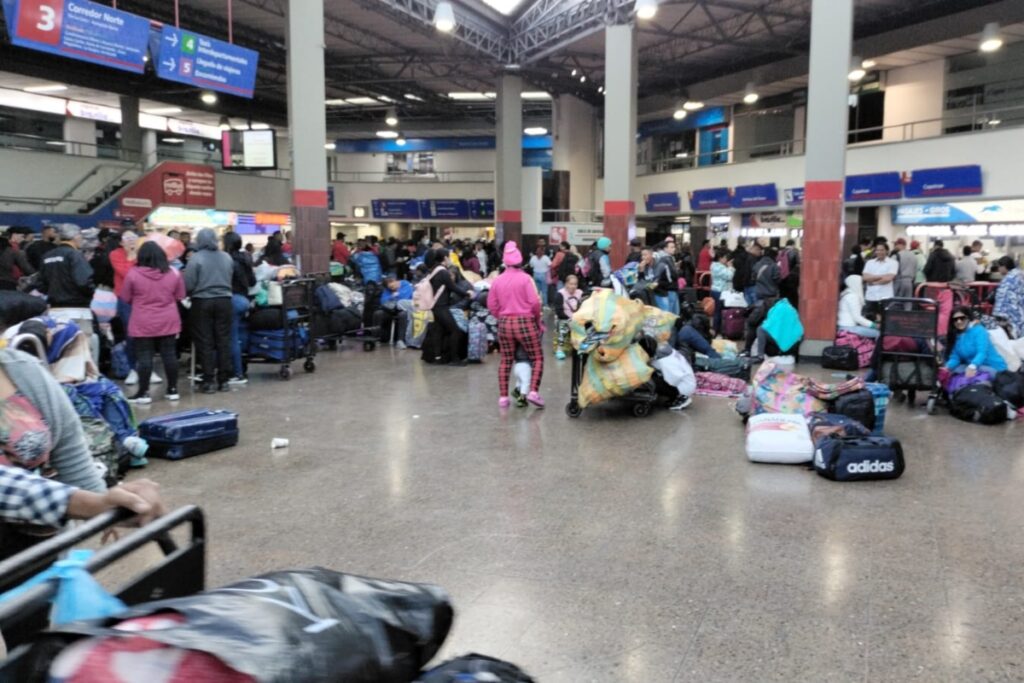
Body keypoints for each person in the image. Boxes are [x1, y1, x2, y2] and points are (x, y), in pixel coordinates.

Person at [120, 242, 185, 405]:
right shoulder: (174, 273)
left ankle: (144, 393)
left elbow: (125, 297)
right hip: (168, 319)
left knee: (144, 356)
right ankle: (172, 390)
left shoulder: (133, 274)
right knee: (169, 354)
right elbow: (180, 295)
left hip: (143, 319)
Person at [488, 242, 545, 408]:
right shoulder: (526, 279)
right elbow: (535, 302)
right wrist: (537, 320)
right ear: (520, 261)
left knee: (506, 360)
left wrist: (501, 316)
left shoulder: (497, 280)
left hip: (505, 323)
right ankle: (533, 392)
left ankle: (503, 398)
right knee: (537, 358)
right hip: (525, 322)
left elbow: (491, 304)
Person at [183, 228, 234, 394]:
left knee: (205, 341)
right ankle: (224, 380)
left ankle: (209, 380)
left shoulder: (196, 258)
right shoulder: (226, 257)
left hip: (202, 301)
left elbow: (189, 284)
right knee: (223, 340)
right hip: (225, 301)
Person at [423, 249, 474, 366]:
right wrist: (467, 294)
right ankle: (455, 359)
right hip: (442, 306)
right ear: (445, 258)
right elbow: (453, 287)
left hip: (433, 306)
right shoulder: (443, 272)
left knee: (438, 331)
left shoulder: (433, 270)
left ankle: (437, 358)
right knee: (455, 331)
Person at [37, 224, 94, 308]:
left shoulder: (47, 255)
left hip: (54, 305)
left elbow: (40, 283)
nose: (82, 239)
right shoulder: (74, 255)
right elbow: (84, 282)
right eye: (81, 236)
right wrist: (92, 293)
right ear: (76, 237)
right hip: (77, 305)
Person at [225, 231, 255, 385]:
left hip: (232, 300)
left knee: (232, 337)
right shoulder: (246, 259)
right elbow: (252, 281)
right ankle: (241, 367)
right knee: (240, 335)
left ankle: (237, 373)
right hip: (244, 300)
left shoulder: (227, 260)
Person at [945, 307, 1006, 377]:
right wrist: (947, 367)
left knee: (964, 375)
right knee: (952, 372)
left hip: (993, 367)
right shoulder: (957, 336)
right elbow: (955, 357)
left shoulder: (979, 330)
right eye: (955, 319)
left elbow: (982, 352)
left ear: (968, 318)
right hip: (975, 367)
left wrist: (973, 366)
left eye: (962, 318)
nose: (959, 321)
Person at [861, 241, 898, 319]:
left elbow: (888, 278)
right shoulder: (870, 263)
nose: (879, 252)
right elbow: (865, 277)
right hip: (871, 296)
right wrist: (882, 276)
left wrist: (873, 281)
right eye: (877, 250)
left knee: (885, 320)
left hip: (885, 296)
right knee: (869, 320)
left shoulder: (893, 263)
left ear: (887, 251)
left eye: (882, 250)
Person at [552, 274, 583, 360]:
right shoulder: (560, 294)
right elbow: (559, 311)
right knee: (563, 325)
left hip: (577, 318)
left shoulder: (580, 293)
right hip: (564, 318)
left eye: (575, 284)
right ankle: (559, 349)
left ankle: (579, 348)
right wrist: (570, 319)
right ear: (566, 284)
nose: (573, 286)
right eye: (571, 284)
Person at [376, 275, 413, 346]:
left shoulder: (406, 285)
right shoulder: (388, 289)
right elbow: (383, 300)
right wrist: (392, 296)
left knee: (403, 315)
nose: (392, 288)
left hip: (403, 309)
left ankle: (400, 340)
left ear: (396, 281)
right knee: (378, 314)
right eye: (390, 287)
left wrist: (395, 296)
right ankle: (378, 338)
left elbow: (404, 298)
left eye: (392, 286)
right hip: (391, 309)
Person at [993, 255, 1024, 338]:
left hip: (1010, 314)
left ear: (1004, 266)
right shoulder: (1020, 275)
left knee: (1010, 337)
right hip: (1020, 311)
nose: (998, 269)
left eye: (999, 267)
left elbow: (1002, 298)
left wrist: (998, 315)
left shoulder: (1008, 279)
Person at [651, 240, 680, 314]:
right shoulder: (667, 259)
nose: (674, 249)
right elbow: (674, 275)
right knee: (671, 313)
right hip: (670, 288)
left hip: (666, 289)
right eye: (671, 247)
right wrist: (678, 271)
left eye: (674, 247)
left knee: (671, 312)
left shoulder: (664, 259)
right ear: (665, 249)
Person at [710, 249, 734, 335]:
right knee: (719, 311)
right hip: (720, 291)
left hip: (718, 290)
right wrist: (730, 267)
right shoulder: (718, 267)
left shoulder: (716, 266)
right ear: (720, 258)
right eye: (725, 258)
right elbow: (729, 276)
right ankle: (716, 329)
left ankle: (718, 329)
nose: (726, 260)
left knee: (719, 311)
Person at [778, 239, 800, 308]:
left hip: (781, 277)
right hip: (792, 277)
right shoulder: (795, 252)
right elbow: (798, 263)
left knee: (783, 295)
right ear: (793, 244)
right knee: (792, 297)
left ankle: (783, 308)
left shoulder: (781, 252)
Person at [731, 240, 754, 305]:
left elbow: (734, 264)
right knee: (745, 301)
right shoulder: (748, 256)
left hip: (736, 279)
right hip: (745, 281)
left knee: (736, 299)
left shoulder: (734, 254)